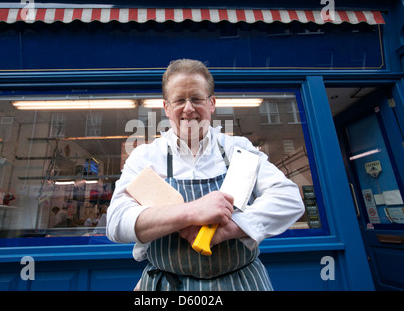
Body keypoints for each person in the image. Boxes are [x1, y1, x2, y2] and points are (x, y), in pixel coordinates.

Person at [107, 59, 305, 291]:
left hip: (241, 283)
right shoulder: (146, 157)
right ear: (166, 107)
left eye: (197, 99)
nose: (188, 108)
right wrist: (192, 212)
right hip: (169, 285)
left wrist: (231, 228)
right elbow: (116, 222)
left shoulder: (237, 150)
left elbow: (289, 198)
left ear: (211, 103)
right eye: (179, 100)